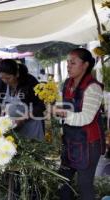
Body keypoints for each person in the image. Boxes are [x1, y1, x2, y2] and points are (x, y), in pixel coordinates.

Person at [53, 48, 105, 200]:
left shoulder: (93, 87)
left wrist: (60, 112)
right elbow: (68, 109)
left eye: (73, 63)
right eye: (68, 62)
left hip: (88, 143)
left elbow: (86, 117)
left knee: (84, 184)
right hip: (70, 141)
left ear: (85, 65)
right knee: (63, 182)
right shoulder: (67, 83)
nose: (68, 66)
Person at [0, 59, 45, 140]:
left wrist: (23, 118)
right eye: (2, 78)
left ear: (17, 74)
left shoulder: (30, 82)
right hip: (14, 130)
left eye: (8, 78)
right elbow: (1, 103)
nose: (5, 81)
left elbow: (41, 106)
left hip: (32, 127)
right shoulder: (2, 83)